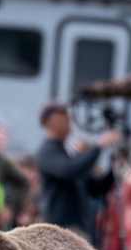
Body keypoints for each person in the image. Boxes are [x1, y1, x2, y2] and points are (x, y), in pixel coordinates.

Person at [36, 102, 120, 238]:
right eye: (64, 117)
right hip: (58, 229)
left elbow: (95, 188)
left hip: (78, 227)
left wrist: (113, 167)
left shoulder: (67, 153)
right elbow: (69, 170)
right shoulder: (47, 151)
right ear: (51, 121)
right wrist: (98, 147)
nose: (69, 122)